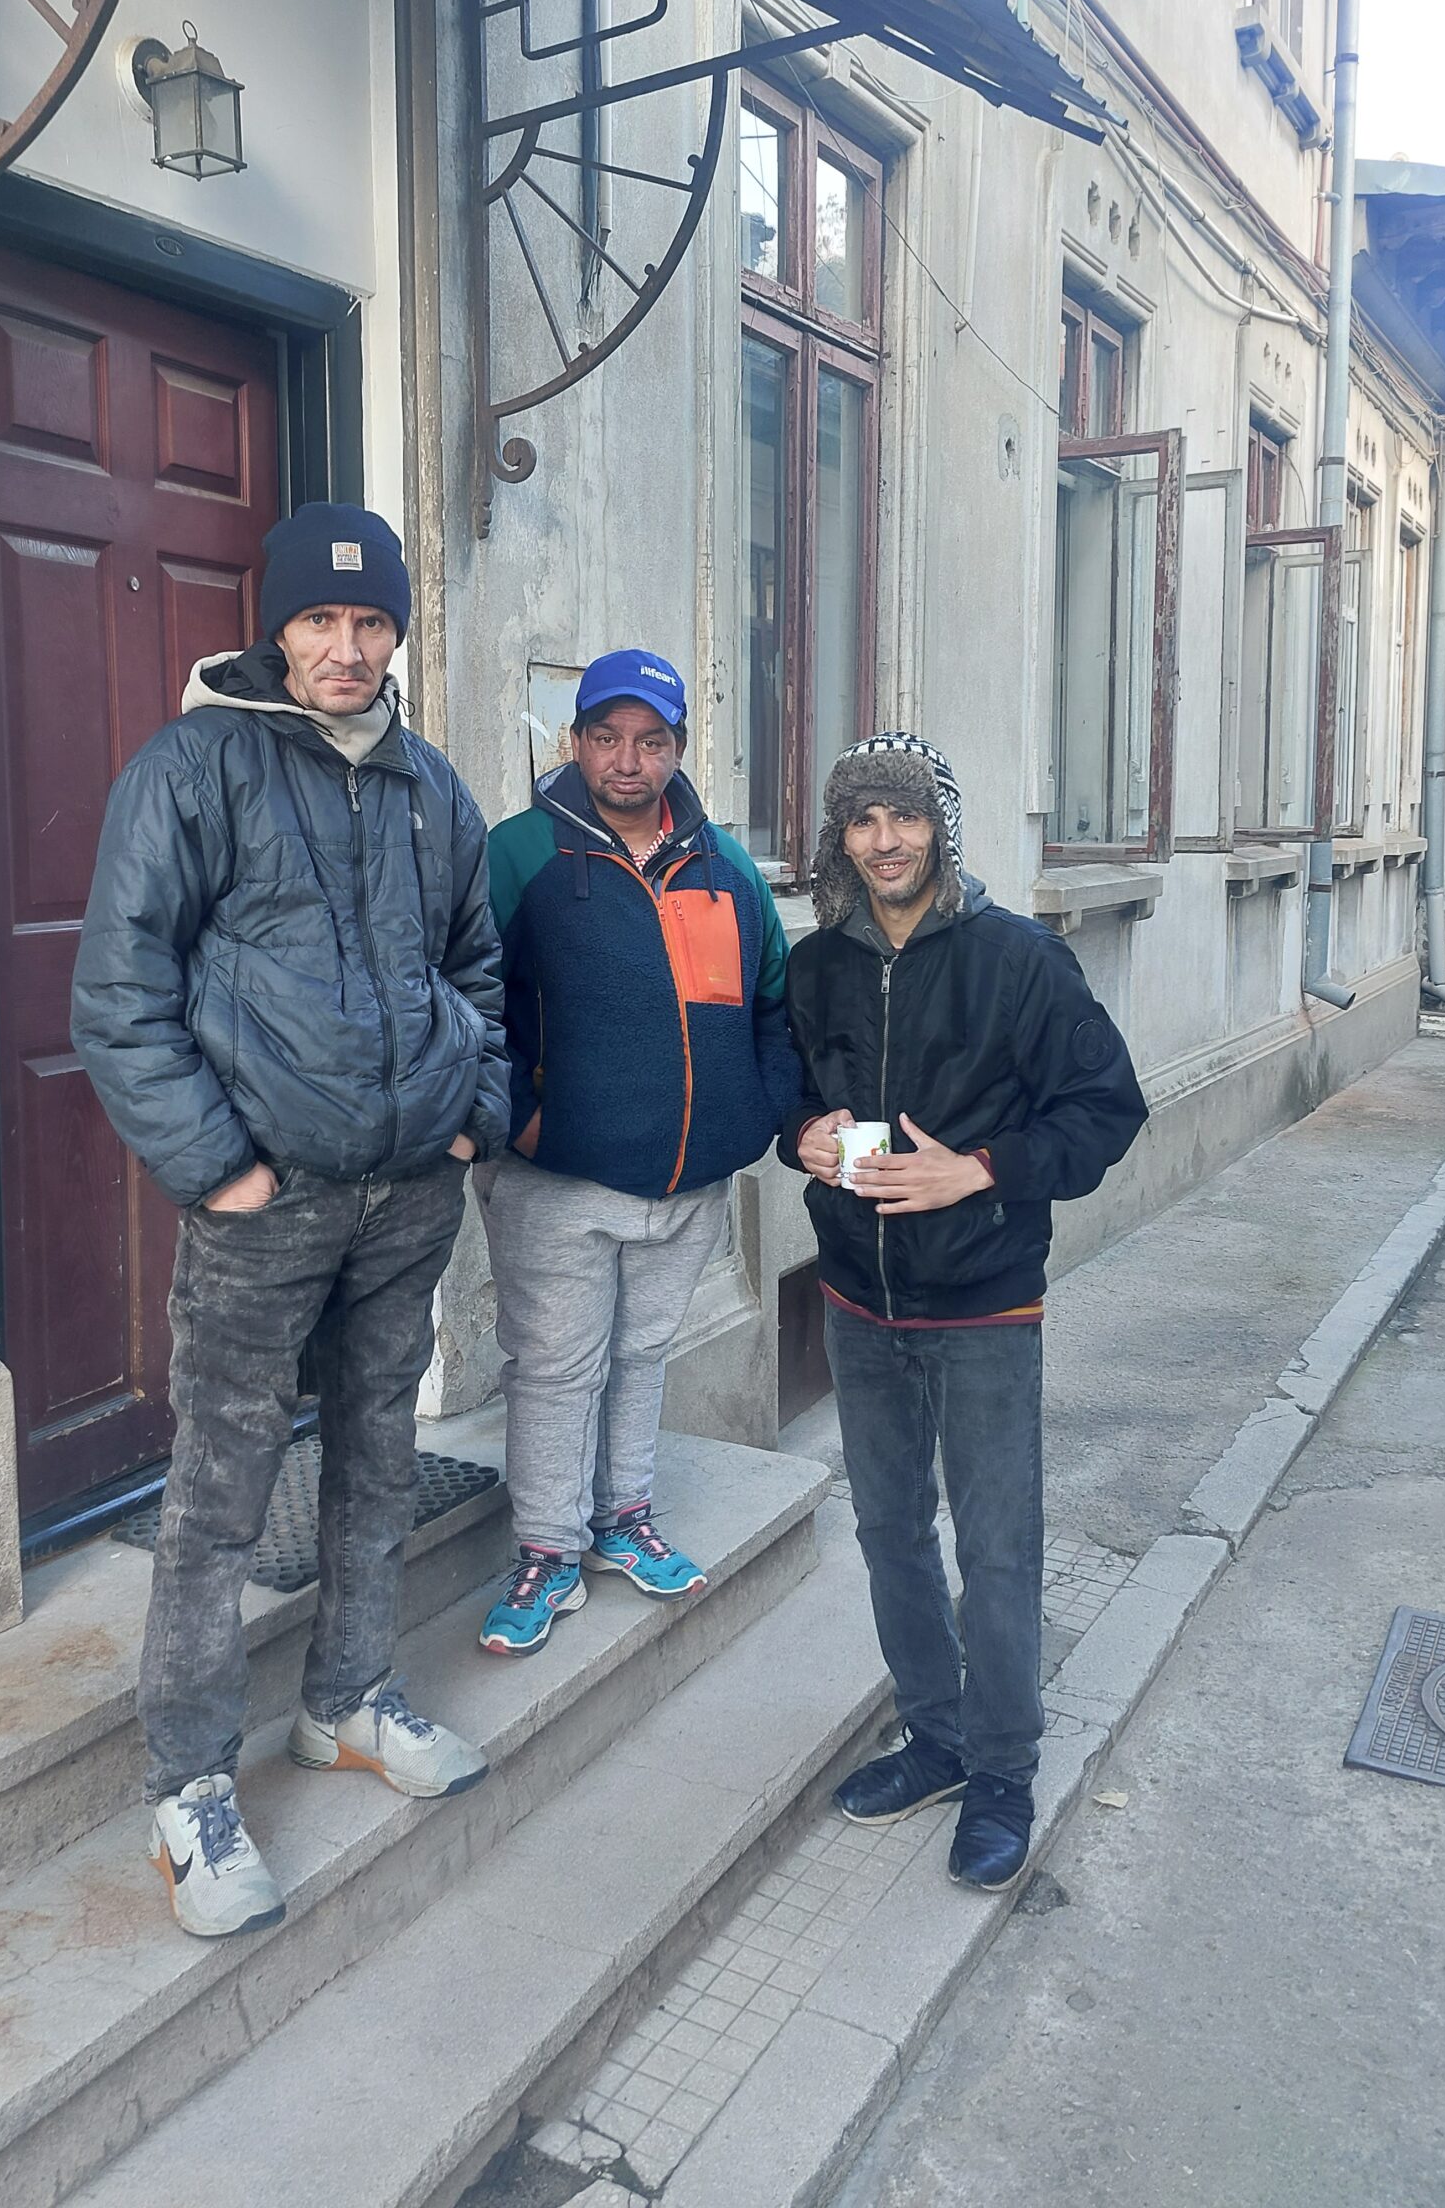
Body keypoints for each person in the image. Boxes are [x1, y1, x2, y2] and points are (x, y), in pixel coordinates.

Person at [71, 505, 511, 1938]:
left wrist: (468, 1117)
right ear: (279, 625)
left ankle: (349, 1699)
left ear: (395, 633)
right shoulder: (194, 767)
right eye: (321, 618)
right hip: (266, 1205)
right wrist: (219, 1168)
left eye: (370, 620)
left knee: (381, 1455)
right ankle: (191, 1787)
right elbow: (120, 992)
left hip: (407, 1195)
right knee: (219, 1495)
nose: (346, 645)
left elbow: (480, 972)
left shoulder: (432, 789)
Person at [780, 734, 1146, 1891]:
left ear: (940, 823)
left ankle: (1001, 1770)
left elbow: (1106, 1109)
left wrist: (978, 1169)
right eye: (863, 820)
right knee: (889, 1532)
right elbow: (785, 1087)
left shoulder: (1021, 960)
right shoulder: (816, 966)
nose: (886, 840)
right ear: (839, 837)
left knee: (995, 1548)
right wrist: (800, 1134)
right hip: (859, 1298)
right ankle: (934, 1738)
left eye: (906, 816)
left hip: (984, 1304)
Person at [473, 649, 799, 1655]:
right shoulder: (518, 853)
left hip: (690, 1180)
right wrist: (520, 1121)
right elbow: (465, 1002)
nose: (628, 760)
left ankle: (623, 1519)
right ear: (574, 742)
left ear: (679, 748)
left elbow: (773, 1001)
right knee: (556, 1367)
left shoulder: (724, 863)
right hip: (558, 1180)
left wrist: (755, 1112)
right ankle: (547, 1550)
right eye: (607, 737)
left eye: (651, 740)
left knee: (642, 1353)